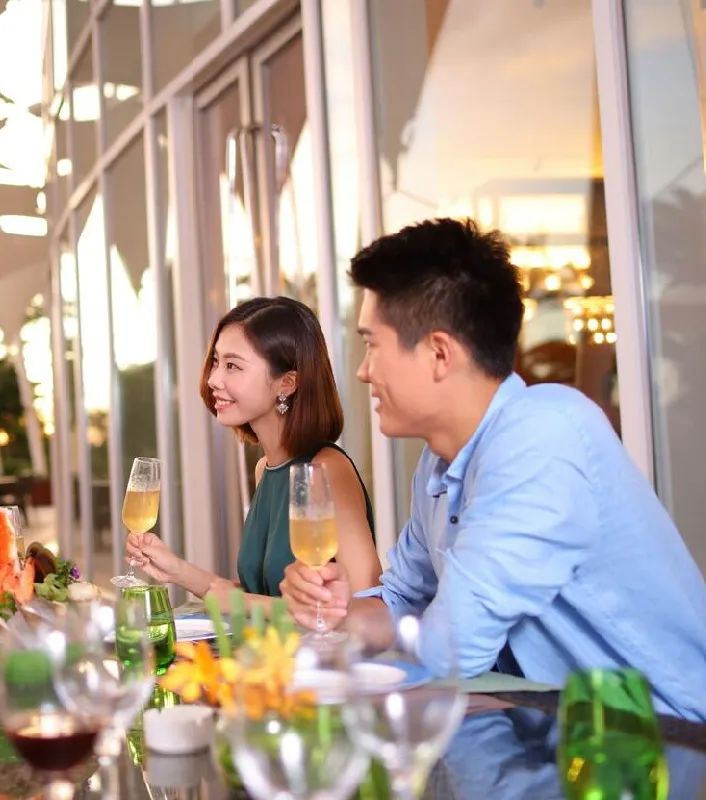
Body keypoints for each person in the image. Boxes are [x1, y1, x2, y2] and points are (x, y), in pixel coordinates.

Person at [280, 217, 706, 720]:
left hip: (664, 739)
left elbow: (451, 650)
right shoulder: (439, 461)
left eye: (372, 344)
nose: (362, 370)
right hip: (553, 729)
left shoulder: (542, 435)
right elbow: (403, 601)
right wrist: (336, 613)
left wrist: (377, 631)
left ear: (439, 353)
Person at [127, 296, 380, 604]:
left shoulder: (326, 470)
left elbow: (367, 605)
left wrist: (234, 601)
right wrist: (176, 569)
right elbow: (263, 598)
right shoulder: (266, 469)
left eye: (232, 366)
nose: (213, 379)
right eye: (216, 361)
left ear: (287, 383)